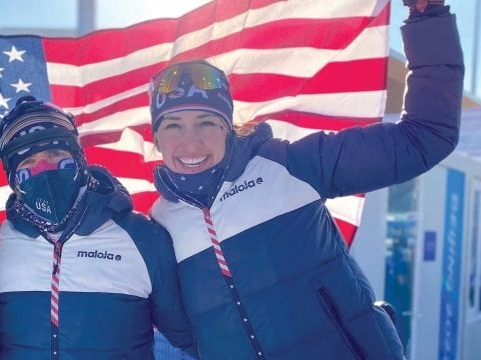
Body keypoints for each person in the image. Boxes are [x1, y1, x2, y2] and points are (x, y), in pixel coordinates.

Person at [146, 1, 462, 359]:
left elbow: (424, 138)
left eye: (206, 122)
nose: (191, 142)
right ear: (157, 139)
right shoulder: (160, 224)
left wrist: (427, 16)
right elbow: (184, 332)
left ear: (228, 128)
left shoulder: (292, 165)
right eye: (173, 126)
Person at [0, 96, 199, 359]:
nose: (43, 167)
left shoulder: (142, 236)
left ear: (78, 157)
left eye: (55, 154)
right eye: (28, 162)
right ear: (12, 175)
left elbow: (191, 339)